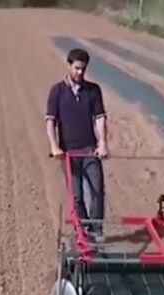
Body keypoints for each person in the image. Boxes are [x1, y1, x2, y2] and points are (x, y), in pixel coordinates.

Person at [46, 47, 110, 243]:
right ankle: (82, 229)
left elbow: (100, 118)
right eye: (76, 68)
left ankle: (96, 229)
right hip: (69, 154)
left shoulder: (93, 90)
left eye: (83, 69)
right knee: (76, 195)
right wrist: (55, 147)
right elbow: (50, 121)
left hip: (90, 150)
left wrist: (103, 143)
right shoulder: (57, 91)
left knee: (97, 189)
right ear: (69, 65)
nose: (80, 73)